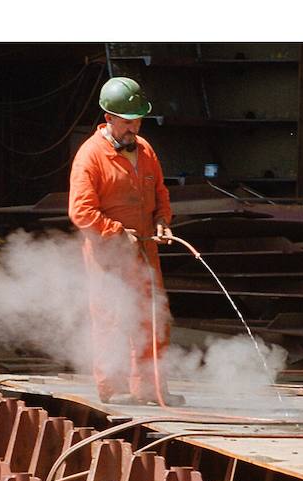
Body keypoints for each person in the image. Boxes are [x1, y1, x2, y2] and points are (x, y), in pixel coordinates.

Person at [68, 76, 184, 406]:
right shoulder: (90, 156)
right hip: (108, 255)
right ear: (108, 118)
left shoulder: (145, 150)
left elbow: (160, 193)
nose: (134, 128)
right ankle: (113, 388)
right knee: (112, 318)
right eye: (127, 122)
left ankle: (151, 389)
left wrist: (162, 220)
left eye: (138, 121)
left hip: (145, 250)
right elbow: (81, 211)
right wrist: (116, 231)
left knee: (153, 315)